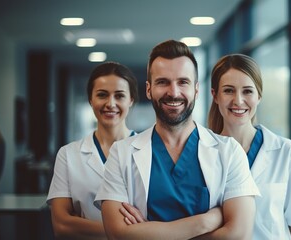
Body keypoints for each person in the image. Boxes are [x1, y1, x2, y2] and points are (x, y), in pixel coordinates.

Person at [95, 39, 259, 239]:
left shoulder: (229, 151)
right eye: (163, 82)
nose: (173, 92)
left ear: (196, 90)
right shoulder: (121, 153)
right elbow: (117, 233)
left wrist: (146, 233)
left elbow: (238, 234)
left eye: (183, 82)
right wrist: (204, 222)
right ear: (148, 89)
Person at [208, 53, 291, 240]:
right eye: (229, 90)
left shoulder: (286, 152)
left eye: (247, 91)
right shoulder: (202, 153)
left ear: (259, 96)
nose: (238, 100)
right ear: (215, 95)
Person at [46, 61, 139, 239]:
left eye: (119, 96)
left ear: (131, 100)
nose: (110, 103)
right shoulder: (68, 154)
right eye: (102, 95)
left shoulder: (150, 150)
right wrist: (126, 232)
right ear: (91, 99)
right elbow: (61, 224)